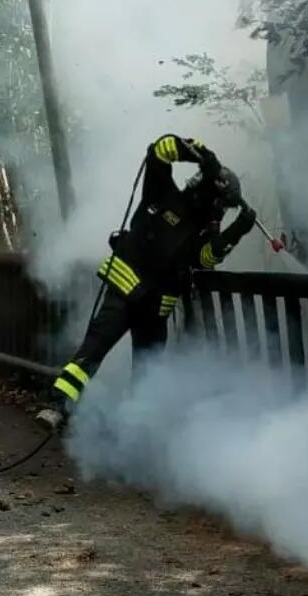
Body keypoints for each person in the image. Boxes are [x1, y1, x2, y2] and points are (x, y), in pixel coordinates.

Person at [37, 134, 257, 431]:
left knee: (147, 371)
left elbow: (204, 259)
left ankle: (136, 431)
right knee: (93, 351)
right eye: (219, 204)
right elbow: (159, 151)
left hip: (157, 306)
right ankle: (58, 405)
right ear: (206, 190)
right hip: (125, 292)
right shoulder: (163, 193)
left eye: (224, 208)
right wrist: (203, 154)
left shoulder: (203, 230)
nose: (219, 211)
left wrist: (236, 232)